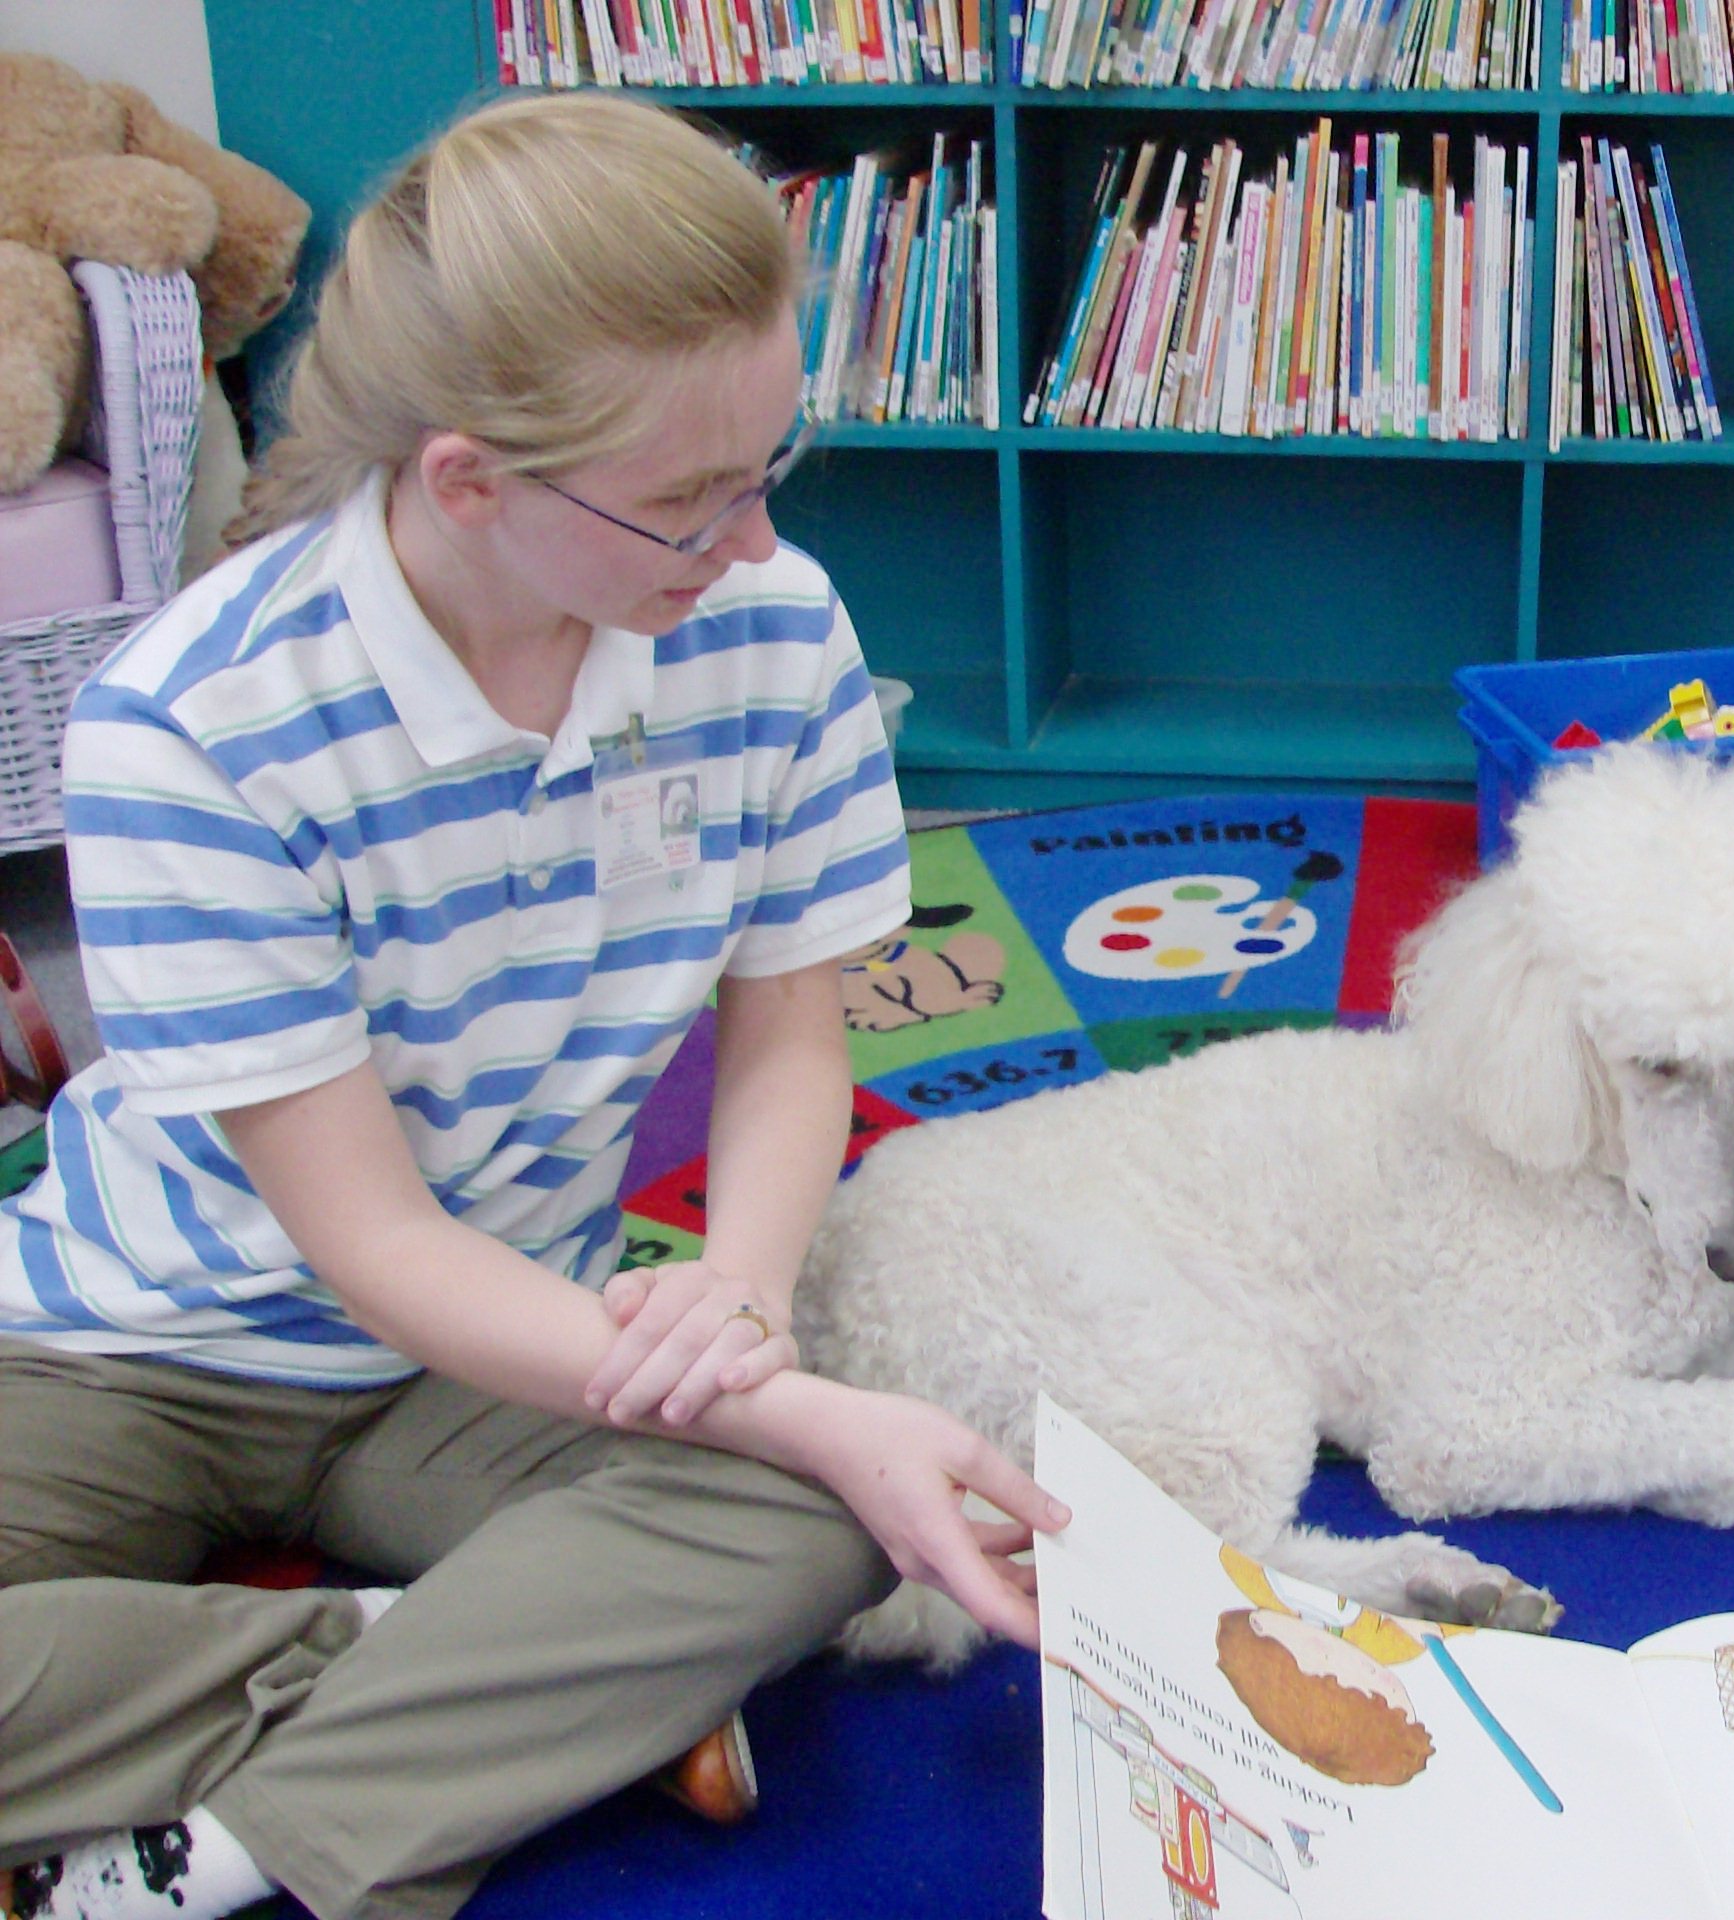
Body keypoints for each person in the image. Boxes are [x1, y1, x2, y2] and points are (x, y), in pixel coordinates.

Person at [0, 91, 1063, 1920]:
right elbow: (366, 1245)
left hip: (501, 1346)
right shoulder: (192, 726)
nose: (747, 543)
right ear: (466, 477)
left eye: (767, 470)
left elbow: (793, 1043)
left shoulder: (770, 630)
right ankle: (423, 1665)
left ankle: (216, 1852)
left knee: (819, 1515)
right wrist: (788, 1406)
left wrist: (736, 1316)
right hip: (136, 1345)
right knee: (826, 1462)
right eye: (681, 498)